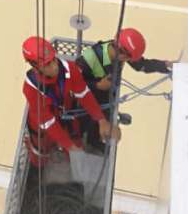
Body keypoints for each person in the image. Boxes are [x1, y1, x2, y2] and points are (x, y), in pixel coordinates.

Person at [22, 36, 120, 167]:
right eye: (47, 64)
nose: (54, 66)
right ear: (35, 66)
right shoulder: (31, 88)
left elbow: (84, 94)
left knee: (76, 145)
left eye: (53, 60)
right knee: (40, 152)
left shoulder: (69, 70)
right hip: (42, 125)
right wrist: (69, 146)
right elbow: (47, 122)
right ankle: (38, 167)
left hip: (66, 115)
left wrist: (101, 120)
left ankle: (73, 168)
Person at [76, 28, 171, 148]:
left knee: (101, 127)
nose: (128, 61)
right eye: (128, 59)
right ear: (122, 53)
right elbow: (72, 82)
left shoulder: (121, 53)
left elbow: (142, 65)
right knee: (86, 124)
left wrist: (165, 65)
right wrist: (97, 85)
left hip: (106, 97)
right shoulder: (91, 57)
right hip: (87, 98)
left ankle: (94, 140)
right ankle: (86, 140)